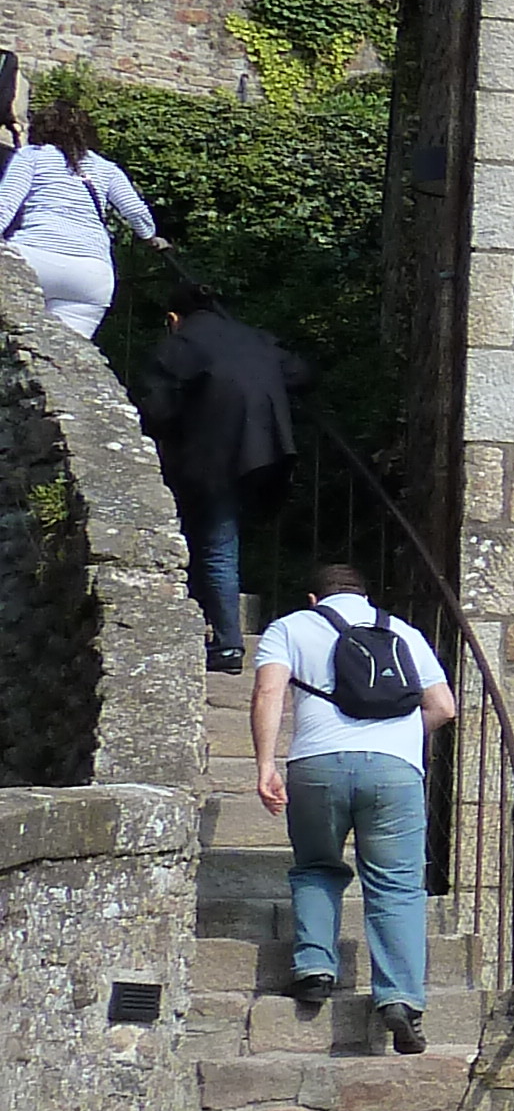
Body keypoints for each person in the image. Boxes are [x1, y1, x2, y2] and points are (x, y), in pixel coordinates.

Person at [252, 561, 455, 1056]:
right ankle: (401, 1001)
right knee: (399, 886)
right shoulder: (403, 631)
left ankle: (315, 969)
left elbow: (268, 691)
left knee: (317, 866)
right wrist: (399, 740)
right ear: (364, 596)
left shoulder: (291, 627)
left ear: (314, 599)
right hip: (395, 771)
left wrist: (265, 766)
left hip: (316, 765)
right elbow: (444, 707)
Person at [144, 289, 307, 673]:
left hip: (213, 456)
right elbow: (301, 372)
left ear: (173, 318)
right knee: (221, 539)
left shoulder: (181, 344)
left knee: (216, 543)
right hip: (267, 451)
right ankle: (220, 627)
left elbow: (155, 406)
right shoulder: (253, 337)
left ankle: (229, 644)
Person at [0, 90, 164, 340]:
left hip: (34, 256)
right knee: (60, 358)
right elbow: (137, 212)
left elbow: (5, 205)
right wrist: (151, 237)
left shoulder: (32, 156)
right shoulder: (107, 168)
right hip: (91, 274)